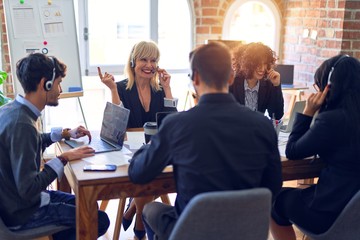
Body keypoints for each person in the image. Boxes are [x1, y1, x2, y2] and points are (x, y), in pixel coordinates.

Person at [128, 42, 283, 240]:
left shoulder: (177, 125)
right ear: (230, 77)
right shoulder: (262, 125)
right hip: (243, 231)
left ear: (196, 78)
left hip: (191, 232)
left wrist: (148, 147)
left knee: (150, 209)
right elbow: (273, 185)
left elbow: (139, 173)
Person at [0, 53, 110, 240]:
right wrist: (64, 158)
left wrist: (64, 134)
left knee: (89, 206)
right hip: (23, 213)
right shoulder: (23, 124)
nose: (60, 90)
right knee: (97, 219)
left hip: (18, 204)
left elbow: (29, 143)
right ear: (46, 84)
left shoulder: (13, 110)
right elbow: (28, 188)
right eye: (58, 83)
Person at [270, 54, 360, 240]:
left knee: (274, 201)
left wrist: (308, 113)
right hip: (354, 211)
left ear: (328, 87)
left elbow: (292, 150)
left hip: (329, 213)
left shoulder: (332, 120)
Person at [98, 40, 177, 239]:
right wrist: (112, 90)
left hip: (153, 150)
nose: (149, 65)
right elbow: (117, 125)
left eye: (154, 60)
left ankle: (135, 213)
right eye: (144, 59)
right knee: (147, 172)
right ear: (133, 61)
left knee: (151, 170)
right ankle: (139, 225)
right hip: (126, 152)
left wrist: (168, 88)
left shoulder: (159, 90)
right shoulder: (121, 87)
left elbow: (171, 125)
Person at [230, 42, 284, 120]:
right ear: (247, 64)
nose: (262, 69)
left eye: (265, 64)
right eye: (258, 64)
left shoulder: (268, 83)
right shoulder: (233, 82)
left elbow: (276, 115)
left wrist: (276, 86)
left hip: (256, 130)